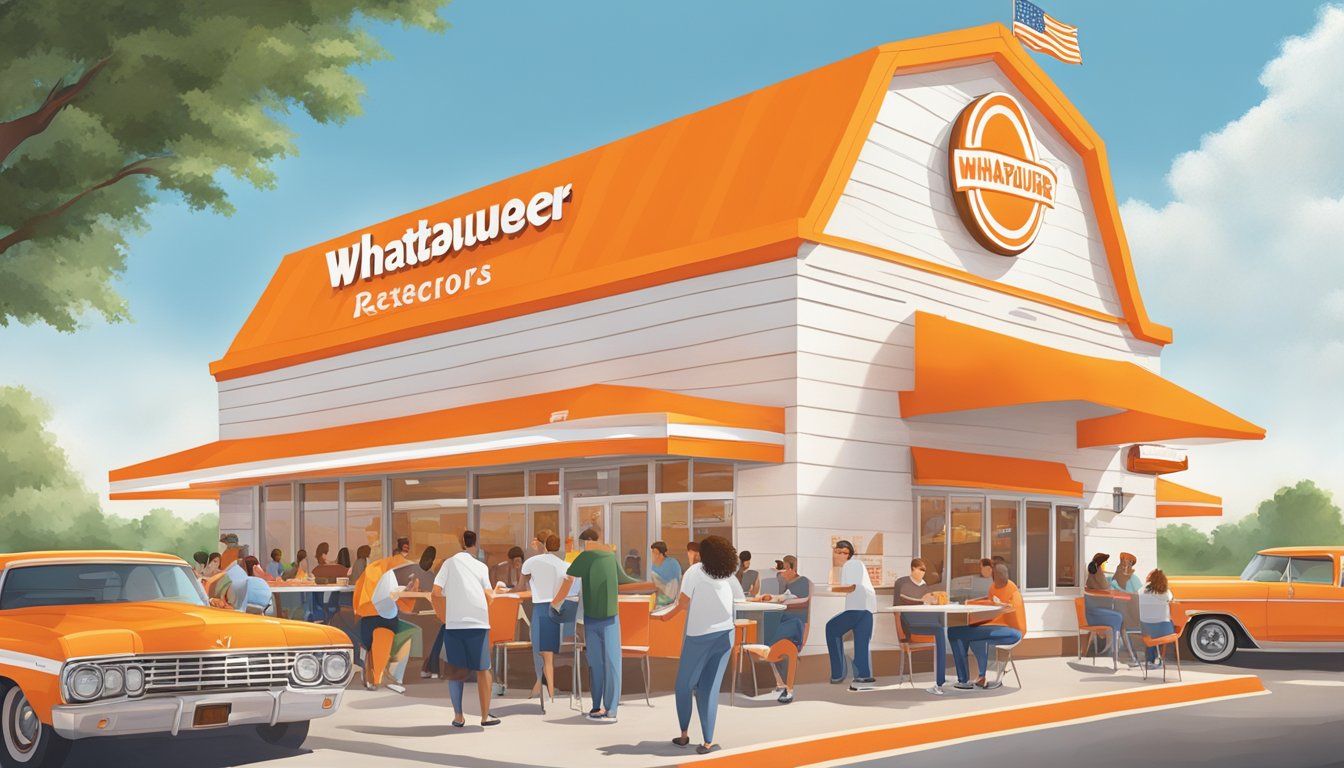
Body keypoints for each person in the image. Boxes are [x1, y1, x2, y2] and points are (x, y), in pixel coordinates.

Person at [657, 535, 743, 755]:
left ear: (702, 554)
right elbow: (739, 599)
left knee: (684, 686)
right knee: (709, 689)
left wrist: (665, 617)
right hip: (725, 635)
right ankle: (707, 741)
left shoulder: (694, 572)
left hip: (699, 636)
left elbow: (682, 603)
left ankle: (684, 735)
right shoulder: (728, 574)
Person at [551, 528, 647, 722]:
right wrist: (646, 584)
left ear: (587, 542)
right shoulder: (610, 557)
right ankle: (610, 709)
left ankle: (597, 707)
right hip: (610, 617)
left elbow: (568, 581)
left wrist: (555, 603)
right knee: (611, 663)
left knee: (596, 664)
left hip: (592, 618)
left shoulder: (585, 558)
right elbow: (624, 580)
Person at [430, 530, 501, 727]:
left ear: (460, 544)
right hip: (478, 622)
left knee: (455, 671)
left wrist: (444, 613)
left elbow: (435, 592)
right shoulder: (481, 566)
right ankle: (485, 717)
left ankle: (458, 716)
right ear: (474, 545)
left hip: (454, 624)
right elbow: (490, 597)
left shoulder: (449, 563)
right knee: (483, 669)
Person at [943, 563, 1025, 690]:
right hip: (992, 625)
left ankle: (965, 679)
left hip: (1012, 631)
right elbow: (990, 605)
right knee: (957, 631)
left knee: (956, 632)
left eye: (1001, 574)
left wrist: (1000, 605)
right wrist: (971, 603)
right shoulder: (993, 588)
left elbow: (1011, 608)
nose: (998, 577)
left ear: (1006, 575)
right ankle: (974, 677)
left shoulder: (1014, 592)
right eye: (996, 575)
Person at [518, 533, 577, 707]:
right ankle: (544, 686)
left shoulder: (532, 562)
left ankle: (544, 687)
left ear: (543, 544)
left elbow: (520, 586)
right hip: (561, 609)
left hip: (542, 609)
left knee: (539, 648)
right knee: (550, 651)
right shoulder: (566, 565)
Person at [353, 539, 419, 694]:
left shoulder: (372, 571)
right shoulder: (389, 571)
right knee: (405, 634)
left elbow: (363, 594)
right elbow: (398, 597)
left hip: (370, 619)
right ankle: (387, 676)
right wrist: (406, 590)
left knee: (375, 642)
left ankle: (377, 675)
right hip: (385, 620)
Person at [750, 554, 810, 703]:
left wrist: (781, 600)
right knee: (769, 639)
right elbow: (783, 596)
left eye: (783, 570)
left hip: (795, 623)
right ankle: (781, 683)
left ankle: (787, 687)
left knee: (777, 645)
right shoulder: (785, 582)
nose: (781, 574)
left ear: (791, 569)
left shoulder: (803, 582)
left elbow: (802, 600)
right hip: (783, 620)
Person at [825, 540, 877, 690]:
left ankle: (838, 673)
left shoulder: (851, 564)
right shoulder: (855, 564)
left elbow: (852, 587)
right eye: (838, 552)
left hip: (857, 607)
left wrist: (829, 590)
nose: (839, 555)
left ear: (847, 554)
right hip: (867, 609)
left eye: (843, 553)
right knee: (861, 642)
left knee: (831, 628)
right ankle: (863, 675)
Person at [1084, 552, 1133, 664]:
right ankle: (1126, 654)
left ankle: (1119, 652)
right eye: (1105, 562)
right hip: (1101, 614)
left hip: (1093, 614)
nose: (1107, 564)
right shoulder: (1099, 574)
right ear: (1101, 564)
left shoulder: (1090, 577)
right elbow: (1106, 587)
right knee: (1121, 622)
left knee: (1120, 621)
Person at [1139, 568, 1176, 668]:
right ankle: (1158, 658)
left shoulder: (1141, 591)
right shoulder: (1167, 593)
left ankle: (1151, 660)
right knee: (1163, 625)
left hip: (1146, 628)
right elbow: (1171, 599)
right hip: (1165, 629)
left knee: (1151, 632)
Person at [650, 541, 683, 607]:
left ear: (660, 554)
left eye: (654, 552)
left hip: (671, 599)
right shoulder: (653, 566)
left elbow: (675, 586)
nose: (652, 555)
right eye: (652, 552)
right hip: (660, 598)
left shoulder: (672, 564)